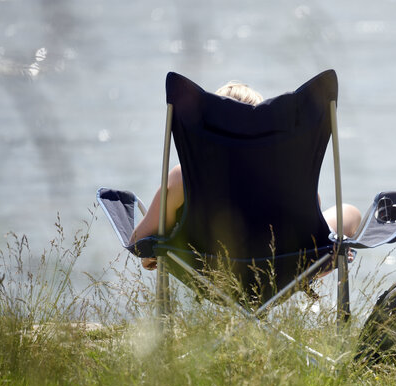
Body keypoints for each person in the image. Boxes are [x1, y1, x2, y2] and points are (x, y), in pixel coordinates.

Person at [130, 80, 362, 270]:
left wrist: (168, 240)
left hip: (208, 273)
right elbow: (310, 255)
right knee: (350, 213)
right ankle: (334, 246)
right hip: (280, 276)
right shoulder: (289, 182)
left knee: (166, 222)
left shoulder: (184, 178)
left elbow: (140, 244)